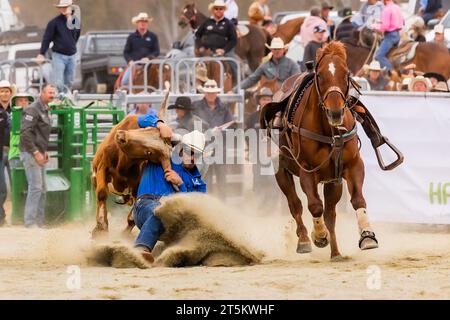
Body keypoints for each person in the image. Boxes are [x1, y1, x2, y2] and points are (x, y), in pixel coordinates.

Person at [131, 123, 207, 263]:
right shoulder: (160, 156)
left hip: (174, 219)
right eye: (189, 152)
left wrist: (181, 184)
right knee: (163, 211)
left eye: (196, 155)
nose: (192, 158)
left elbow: (198, 207)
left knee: (193, 224)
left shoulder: (199, 182)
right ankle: (139, 250)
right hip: (145, 206)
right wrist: (159, 123)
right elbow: (141, 120)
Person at [19, 85, 56, 228]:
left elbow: (40, 133)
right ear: (42, 93)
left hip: (38, 152)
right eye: (49, 92)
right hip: (30, 153)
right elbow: (25, 133)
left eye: (53, 93)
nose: (52, 95)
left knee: (42, 188)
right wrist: (35, 152)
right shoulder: (33, 109)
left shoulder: (45, 109)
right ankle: (30, 222)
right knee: (35, 187)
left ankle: (39, 222)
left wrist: (44, 150)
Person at [193, 80, 234, 197]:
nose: (211, 95)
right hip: (202, 148)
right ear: (204, 93)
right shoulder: (195, 106)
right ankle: (207, 204)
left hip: (219, 148)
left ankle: (222, 204)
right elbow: (191, 125)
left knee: (222, 180)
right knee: (205, 179)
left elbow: (231, 125)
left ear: (216, 93)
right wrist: (207, 133)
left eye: (213, 92)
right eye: (208, 92)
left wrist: (220, 133)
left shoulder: (224, 107)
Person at [37, 0, 81, 93]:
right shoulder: (54, 23)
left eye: (66, 6)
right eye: (62, 7)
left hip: (72, 55)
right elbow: (47, 39)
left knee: (69, 80)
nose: (64, 9)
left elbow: (76, 35)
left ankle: (66, 98)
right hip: (58, 56)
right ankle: (61, 97)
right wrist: (41, 53)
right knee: (59, 81)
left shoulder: (75, 21)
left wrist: (69, 17)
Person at [121, 12, 160, 87]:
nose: (143, 23)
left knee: (162, 79)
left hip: (150, 66)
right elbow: (126, 52)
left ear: (147, 23)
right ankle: (127, 96)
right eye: (141, 21)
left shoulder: (153, 36)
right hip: (135, 66)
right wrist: (130, 61)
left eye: (145, 21)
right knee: (124, 82)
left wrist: (148, 58)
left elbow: (156, 51)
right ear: (137, 23)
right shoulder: (131, 37)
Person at [373, 0, 404, 71]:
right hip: (397, 35)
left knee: (379, 56)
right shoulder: (397, 7)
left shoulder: (386, 9)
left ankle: (391, 72)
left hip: (390, 36)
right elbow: (402, 22)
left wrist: (374, 26)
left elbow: (385, 27)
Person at [0, 80, 14, 227]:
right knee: (1, 189)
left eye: (7, 91)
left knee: (17, 185)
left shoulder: (15, 109)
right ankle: (1, 218)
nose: (4, 93)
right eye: (2, 91)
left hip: (13, 152)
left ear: (10, 93)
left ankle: (17, 216)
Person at [9, 93, 34, 169]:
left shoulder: (30, 116)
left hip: (29, 154)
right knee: (18, 179)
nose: (24, 102)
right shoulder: (13, 115)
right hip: (16, 154)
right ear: (15, 103)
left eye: (26, 101)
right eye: (20, 100)